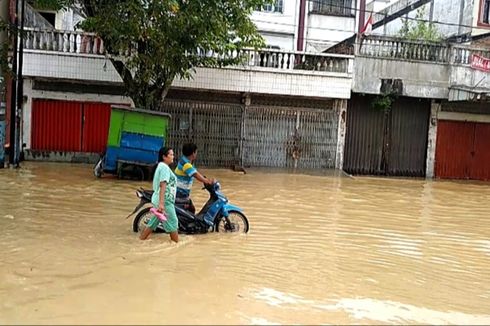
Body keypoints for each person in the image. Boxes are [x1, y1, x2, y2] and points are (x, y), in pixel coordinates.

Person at [140, 147, 179, 242]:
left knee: (154, 221)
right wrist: (162, 203)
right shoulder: (164, 168)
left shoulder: (162, 166)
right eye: (171, 154)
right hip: (165, 201)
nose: (173, 156)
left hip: (161, 199)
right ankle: (176, 245)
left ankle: (141, 240)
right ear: (164, 157)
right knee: (173, 223)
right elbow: (163, 184)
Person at [174, 143, 214, 214]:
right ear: (193, 153)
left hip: (179, 191)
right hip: (180, 193)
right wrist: (207, 181)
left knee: (191, 210)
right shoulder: (186, 165)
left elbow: (195, 171)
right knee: (191, 211)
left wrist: (205, 179)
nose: (196, 154)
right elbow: (195, 174)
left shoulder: (184, 160)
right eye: (196, 152)